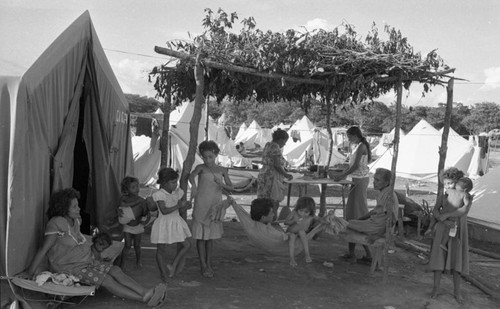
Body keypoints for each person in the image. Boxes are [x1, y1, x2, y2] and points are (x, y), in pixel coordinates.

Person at [20, 188, 167, 307]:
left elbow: (79, 242)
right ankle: (144, 298)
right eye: (74, 206)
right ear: (63, 208)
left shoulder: (75, 220)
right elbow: (44, 249)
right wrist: (29, 272)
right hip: (70, 267)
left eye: (77, 205)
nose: (78, 208)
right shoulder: (56, 223)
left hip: (85, 262)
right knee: (107, 280)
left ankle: (145, 292)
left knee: (115, 270)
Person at [189, 140, 234, 278]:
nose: (207, 160)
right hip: (201, 204)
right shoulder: (200, 168)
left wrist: (222, 184)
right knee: (201, 237)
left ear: (216, 155)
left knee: (210, 238)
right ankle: (203, 265)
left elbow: (230, 187)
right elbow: (191, 176)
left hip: (214, 205)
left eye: (210, 157)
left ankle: (208, 263)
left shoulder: (222, 170)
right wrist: (194, 186)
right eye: (204, 157)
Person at [428, 168, 473, 304]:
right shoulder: (444, 196)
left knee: (456, 262)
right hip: (443, 229)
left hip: (457, 231)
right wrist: (442, 219)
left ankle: (457, 292)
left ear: (458, 182)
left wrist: (448, 215)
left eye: (450, 184)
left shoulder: (465, 196)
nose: (448, 187)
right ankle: (435, 289)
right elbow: (435, 210)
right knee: (438, 260)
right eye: (445, 184)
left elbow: (463, 210)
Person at [330, 126, 371, 261]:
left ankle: (368, 253)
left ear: (355, 135)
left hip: (359, 179)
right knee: (351, 215)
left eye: (349, 137)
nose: (348, 139)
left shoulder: (361, 147)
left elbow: (355, 167)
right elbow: (351, 165)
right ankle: (352, 253)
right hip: (356, 179)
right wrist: (342, 173)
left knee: (358, 215)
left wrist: (342, 176)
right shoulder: (358, 146)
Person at [345, 168, 399, 263]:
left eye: (377, 180)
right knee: (353, 223)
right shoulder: (384, 192)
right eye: (374, 179)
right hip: (375, 224)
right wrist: (361, 219)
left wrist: (377, 236)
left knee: (347, 224)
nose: (374, 182)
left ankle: (353, 255)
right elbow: (374, 211)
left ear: (386, 182)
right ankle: (365, 255)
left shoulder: (389, 196)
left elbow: (392, 220)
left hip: (379, 228)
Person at [151, 167, 192, 281]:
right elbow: (164, 211)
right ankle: (163, 273)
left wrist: (185, 206)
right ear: (164, 183)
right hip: (163, 224)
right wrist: (179, 206)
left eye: (176, 182)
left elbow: (179, 209)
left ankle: (173, 265)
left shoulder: (176, 193)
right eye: (173, 182)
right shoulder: (160, 194)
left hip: (175, 222)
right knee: (161, 250)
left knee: (187, 245)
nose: (176, 184)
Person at [257, 128, 293, 221]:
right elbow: (276, 165)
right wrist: (286, 174)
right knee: (273, 201)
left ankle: (262, 220)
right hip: (271, 177)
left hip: (264, 174)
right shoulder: (275, 147)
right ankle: (272, 220)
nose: (284, 144)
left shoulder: (268, 145)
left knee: (263, 200)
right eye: (285, 141)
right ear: (281, 139)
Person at [118, 176, 150, 270]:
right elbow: (122, 205)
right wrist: (137, 202)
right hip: (128, 226)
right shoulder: (124, 198)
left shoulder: (142, 200)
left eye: (137, 186)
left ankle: (138, 261)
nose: (136, 188)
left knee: (137, 245)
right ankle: (122, 264)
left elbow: (146, 212)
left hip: (138, 226)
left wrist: (145, 221)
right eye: (133, 187)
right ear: (126, 189)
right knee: (127, 245)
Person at [284, 197, 316, 267]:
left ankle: (307, 255)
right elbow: (285, 222)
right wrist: (293, 221)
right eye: (301, 211)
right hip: (290, 232)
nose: (303, 214)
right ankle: (292, 258)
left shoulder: (311, 216)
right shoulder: (294, 213)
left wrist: (329, 216)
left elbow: (320, 220)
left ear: (311, 211)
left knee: (302, 232)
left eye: (306, 212)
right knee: (292, 237)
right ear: (297, 208)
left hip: (299, 233)